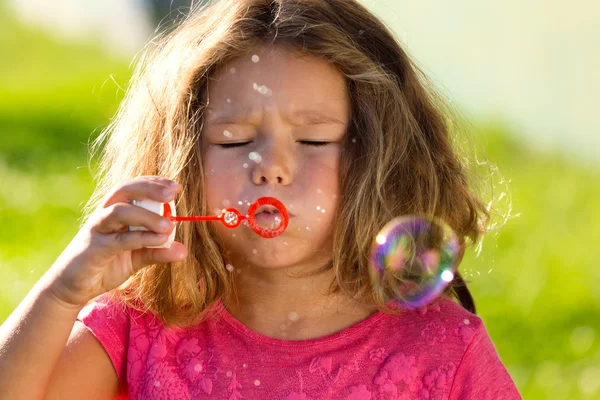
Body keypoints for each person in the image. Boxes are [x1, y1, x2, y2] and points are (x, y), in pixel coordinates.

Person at [0, 0, 522, 398]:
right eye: (234, 141)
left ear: (376, 157)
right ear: (179, 160)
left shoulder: (443, 350)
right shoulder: (139, 329)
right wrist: (62, 296)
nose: (271, 166)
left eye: (314, 140)